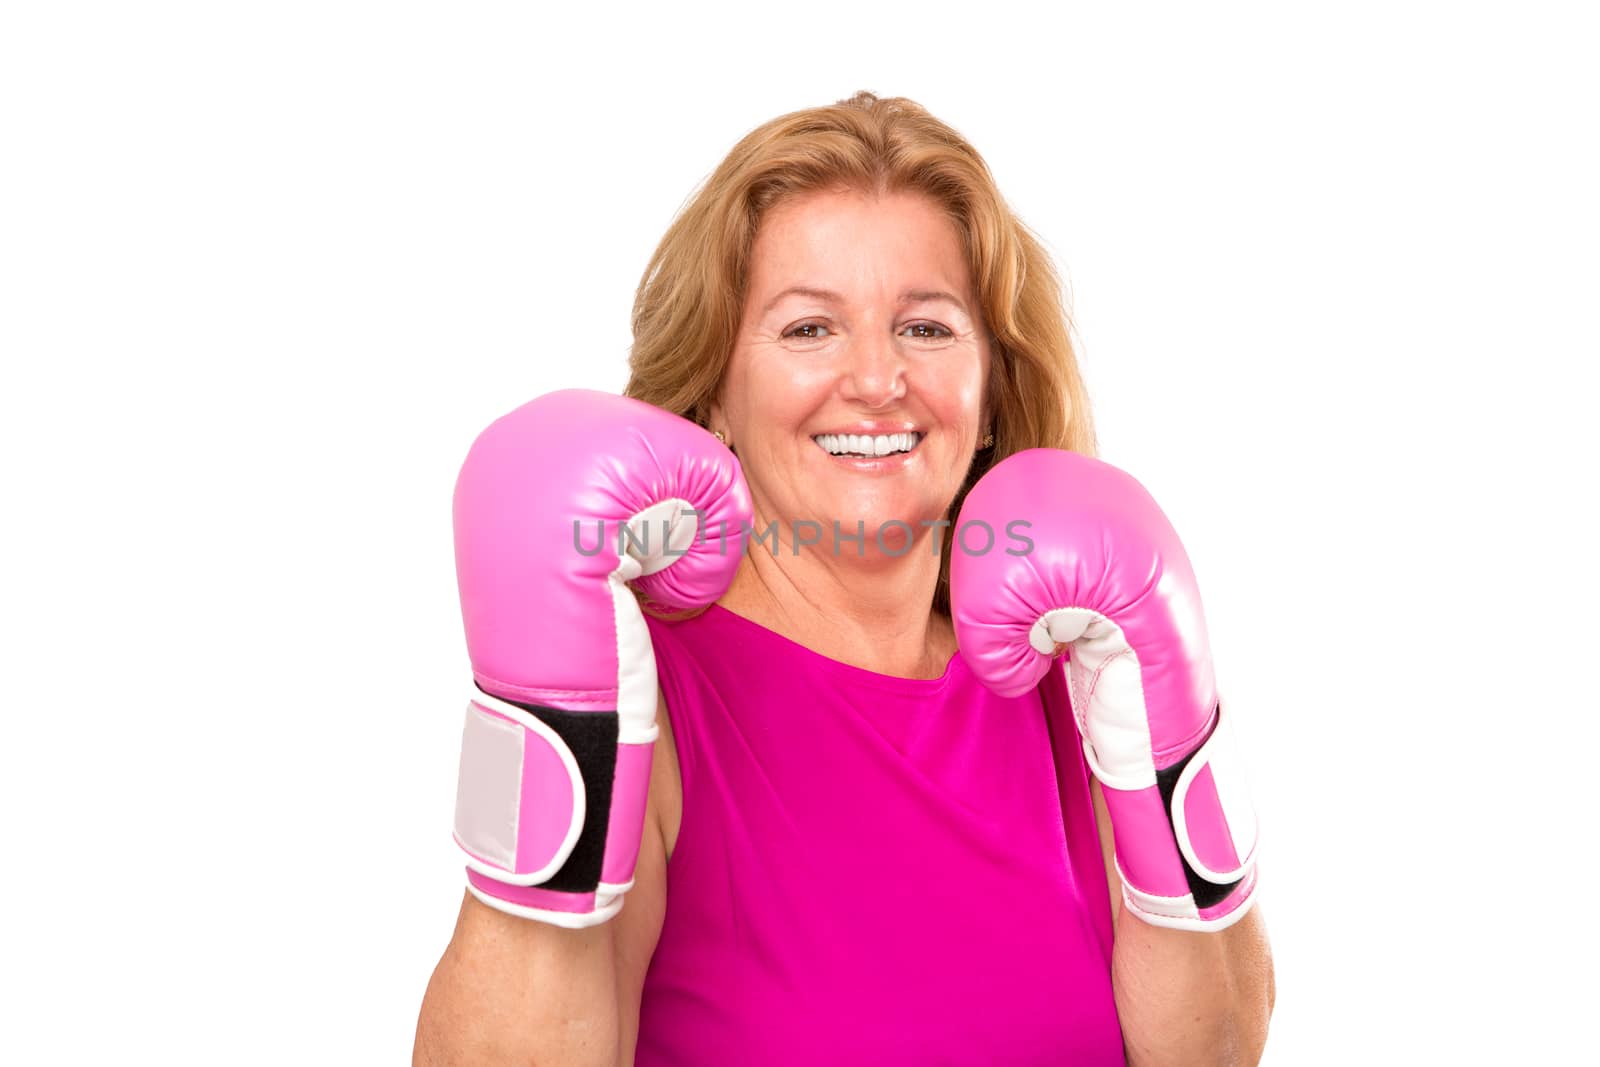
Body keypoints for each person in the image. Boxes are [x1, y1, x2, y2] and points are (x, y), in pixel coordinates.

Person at [415, 91, 1275, 1066]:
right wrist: (554, 723)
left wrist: (1170, 713)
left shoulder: (1072, 670)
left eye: (927, 327)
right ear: (714, 393)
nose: (876, 379)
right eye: (808, 329)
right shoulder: (648, 701)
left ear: (989, 388)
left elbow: (1211, 1050)